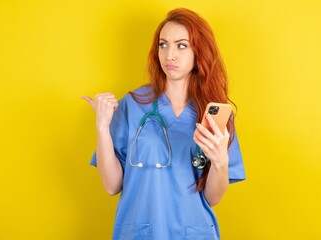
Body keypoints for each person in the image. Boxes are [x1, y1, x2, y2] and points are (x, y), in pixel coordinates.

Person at [83, 8, 245, 240]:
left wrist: (220, 161)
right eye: (163, 44)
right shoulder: (132, 105)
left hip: (193, 231)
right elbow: (112, 186)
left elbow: (212, 198)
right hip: (138, 231)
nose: (170, 55)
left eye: (181, 45)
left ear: (199, 52)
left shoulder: (214, 116)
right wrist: (102, 128)